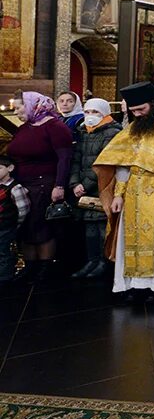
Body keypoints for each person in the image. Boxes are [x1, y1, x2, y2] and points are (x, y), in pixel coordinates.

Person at [92, 83, 154, 298]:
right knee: (130, 239)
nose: (137, 115)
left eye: (141, 110)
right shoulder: (131, 130)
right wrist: (118, 194)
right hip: (132, 191)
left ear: (153, 104)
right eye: (133, 111)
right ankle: (133, 284)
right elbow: (122, 164)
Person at [7, 93, 73, 281]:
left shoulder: (54, 126)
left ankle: (44, 267)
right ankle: (30, 265)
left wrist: (59, 185)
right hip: (22, 183)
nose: (16, 111)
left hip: (44, 183)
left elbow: (64, 158)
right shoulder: (24, 127)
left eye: (19, 107)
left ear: (32, 105)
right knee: (26, 226)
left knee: (41, 226)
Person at [68, 98, 121, 279]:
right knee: (89, 227)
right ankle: (91, 260)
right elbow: (76, 159)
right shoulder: (83, 131)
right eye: (87, 112)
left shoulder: (113, 132)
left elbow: (104, 162)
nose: (90, 116)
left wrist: (86, 184)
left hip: (102, 185)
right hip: (82, 187)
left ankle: (103, 262)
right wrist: (74, 183)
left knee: (101, 226)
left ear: (105, 113)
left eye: (96, 112)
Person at [0, 156, 30, 289]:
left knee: (5, 251)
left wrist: (16, 224)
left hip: (7, 225)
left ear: (10, 168)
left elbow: (23, 208)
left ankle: (5, 277)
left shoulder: (15, 188)